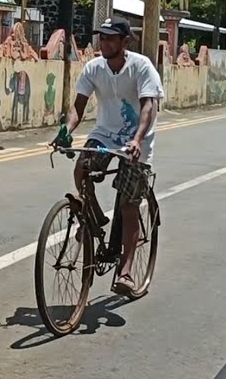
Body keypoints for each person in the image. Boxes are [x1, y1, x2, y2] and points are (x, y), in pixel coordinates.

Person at [64, 17, 163, 296]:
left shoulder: (141, 67)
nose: (103, 43)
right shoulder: (93, 68)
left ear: (124, 42)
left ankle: (127, 271)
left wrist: (137, 139)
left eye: (110, 38)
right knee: (82, 169)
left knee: (129, 205)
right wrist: (67, 130)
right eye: (102, 38)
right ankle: (92, 219)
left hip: (137, 140)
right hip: (105, 135)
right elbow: (78, 106)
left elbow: (148, 107)